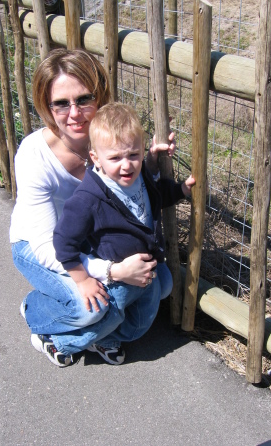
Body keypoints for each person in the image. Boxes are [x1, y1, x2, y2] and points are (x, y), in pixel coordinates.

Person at [10, 48, 176, 368]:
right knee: (94, 308)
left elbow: (131, 187)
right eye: (61, 103)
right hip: (40, 245)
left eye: (84, 99)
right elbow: (50, 246)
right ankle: (40, 314)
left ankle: (99, 335)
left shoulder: (108, 138)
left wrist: (151, 160)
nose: (74, 113)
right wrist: (110, 272)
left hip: (93, 239)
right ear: (47, 107)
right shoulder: (34, 157)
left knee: (163, 284)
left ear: (99, 97)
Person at [53, 102, 195, 356]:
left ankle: (109, 336)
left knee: (164, 285)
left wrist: (181, 190)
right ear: (96, 158)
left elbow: (155, 196)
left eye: (132, 155)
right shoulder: (88, 199)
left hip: (145, 265)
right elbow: (63, 243)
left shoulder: (137, 177)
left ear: (141, 150)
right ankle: (62, 343)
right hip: (117, 278)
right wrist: (83, 280)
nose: (126, 165)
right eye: (115, 158)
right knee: (121, 321)